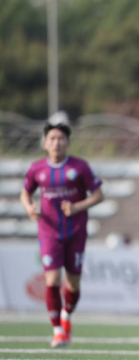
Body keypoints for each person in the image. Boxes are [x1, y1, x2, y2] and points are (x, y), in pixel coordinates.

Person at [20, 118, 104, 348]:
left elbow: (99, 195)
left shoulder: (79, 167)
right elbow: (25, 193)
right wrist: (29, 208)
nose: (56, 142)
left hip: (76, 231)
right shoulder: (37, 169)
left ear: (67, 142)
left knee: (73, 284)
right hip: (48, 231)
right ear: (45, 143)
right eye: (52, 138)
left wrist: (77, 207)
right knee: (52, 279)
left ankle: (67, 315)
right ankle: (58, 330)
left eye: (61, 138)